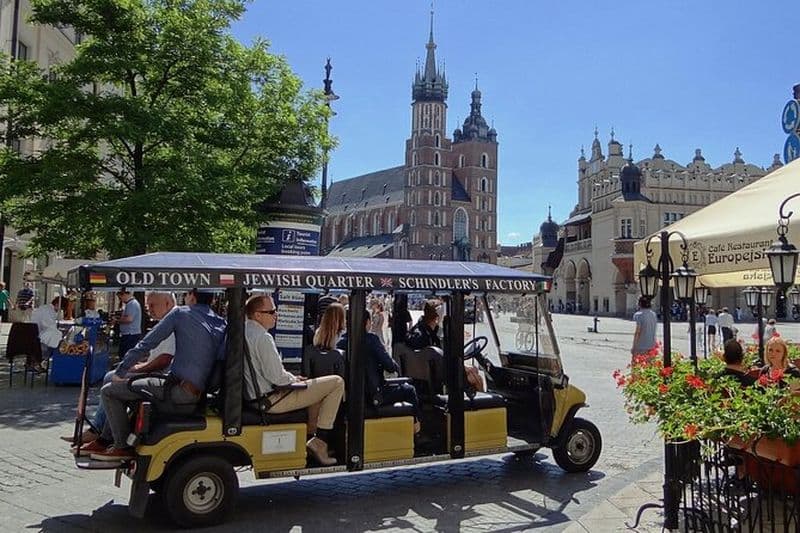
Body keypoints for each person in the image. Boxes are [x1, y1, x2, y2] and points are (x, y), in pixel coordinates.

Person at [88, 288, 226, 461]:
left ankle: (121, 446)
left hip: (177, 389)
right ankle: (105, 439)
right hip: (198, 392)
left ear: (192, 296)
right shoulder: (221, 322)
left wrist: (122, 370)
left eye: (187, 294)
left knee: (109, 390)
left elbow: (146, 344)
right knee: (125, 387)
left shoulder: (181, 314)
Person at [244, 294, 344, 466]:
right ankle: (320, 440)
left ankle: (311, 433)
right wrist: (294, 379)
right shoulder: (262, 337)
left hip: (257, 395)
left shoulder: (246, 330)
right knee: (336, 383)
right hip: (271, 399)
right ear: (257, 315)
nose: (276, 315)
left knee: (315, 387)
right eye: (271, 311)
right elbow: (277, 377)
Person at [69, 292, 176, 447]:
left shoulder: (171, 323)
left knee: (110, 385)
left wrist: (139, 368)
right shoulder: (166, 321)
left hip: (160, 377)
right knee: (111, 377)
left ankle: (109, 437)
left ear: (167, 303)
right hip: (156, 373)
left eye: (153, 305)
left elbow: (165, 359)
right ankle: (103, 434)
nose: (149, 309)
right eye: (148, 306)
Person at [338, 309, 422, 433]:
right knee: (409, 389)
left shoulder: (341, 342)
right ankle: (417, 431)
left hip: (351, 396)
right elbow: (390, 366)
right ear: (367, 322)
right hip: (374, 395)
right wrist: (394, 366)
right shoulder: (371, 339)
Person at [29, 296, 63, 372]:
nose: (60, 311)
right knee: (55, 338)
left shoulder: (46, 308)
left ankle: (41, 361)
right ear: (57, 304)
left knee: (54, 337)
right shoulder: (48, 311)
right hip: (36, 334)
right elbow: (48, 326)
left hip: (34, 332)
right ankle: (42, 361)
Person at [115, 288, 142, 360]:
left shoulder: (132, 304)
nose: (120, 300)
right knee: (125, 353)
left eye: (120, 297)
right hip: (129, 333)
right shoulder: (130, 304)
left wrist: (117, 320)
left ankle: (126, 368)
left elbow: (129, 319)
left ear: (124, 294)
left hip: (130, 334)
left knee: (126, 354)